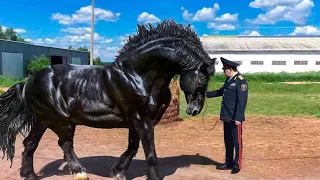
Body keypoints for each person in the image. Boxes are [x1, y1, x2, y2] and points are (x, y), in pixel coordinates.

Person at [206, 57, 248, 174]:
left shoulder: (241, 81)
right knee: (228, 141)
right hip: (227, 116)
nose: (224, 72)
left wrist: (239, 118)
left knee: (236, 142)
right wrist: (205, 94)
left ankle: (237, 164)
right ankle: (228, 162)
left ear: (230, 69)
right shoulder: (229, 80)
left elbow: (242, 101)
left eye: (224, 70)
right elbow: (220, 91)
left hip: (235, 118)